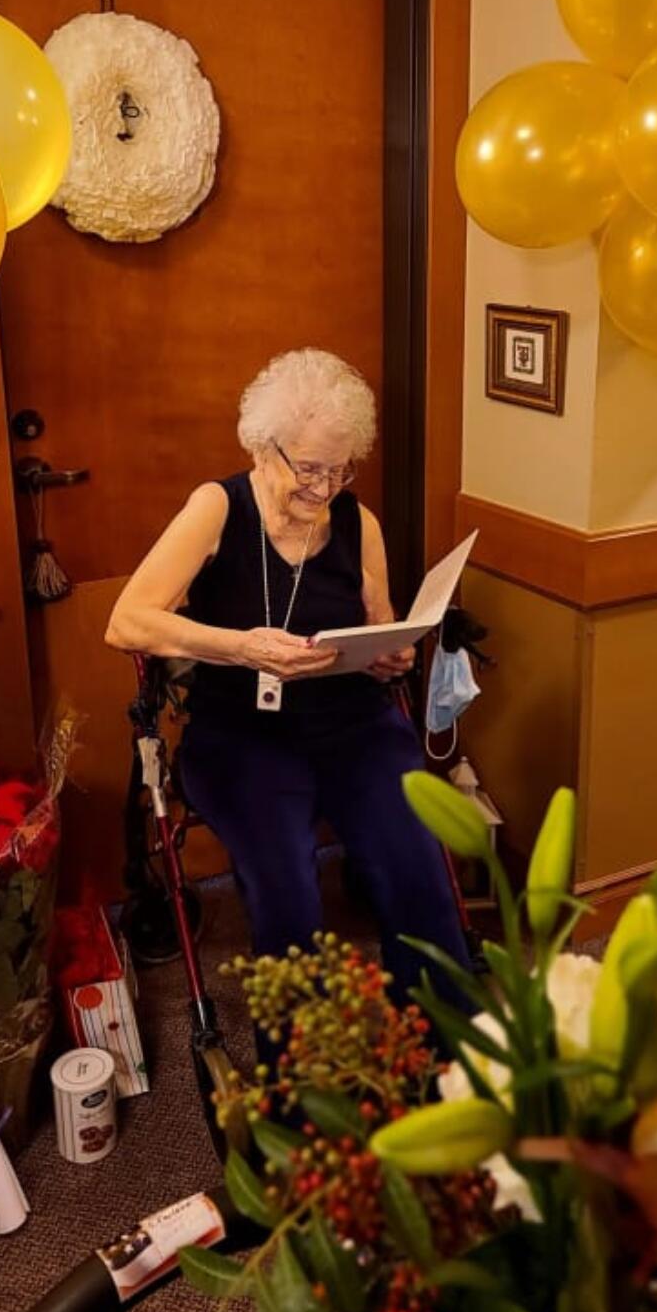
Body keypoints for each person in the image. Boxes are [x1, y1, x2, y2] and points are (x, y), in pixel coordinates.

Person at [105, 347, 471, 998]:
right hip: (242, 735)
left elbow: (377, 624)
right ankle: (294, 1071)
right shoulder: (217, 508)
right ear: (261, 447)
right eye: (307, 468)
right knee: (287, 893)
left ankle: (446, 1040)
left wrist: (393, 652)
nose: (324, 488)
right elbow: (128, 621)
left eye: (339, 470)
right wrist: (243, 648)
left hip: (353, 724)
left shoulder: (359, 523)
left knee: (417, 864)